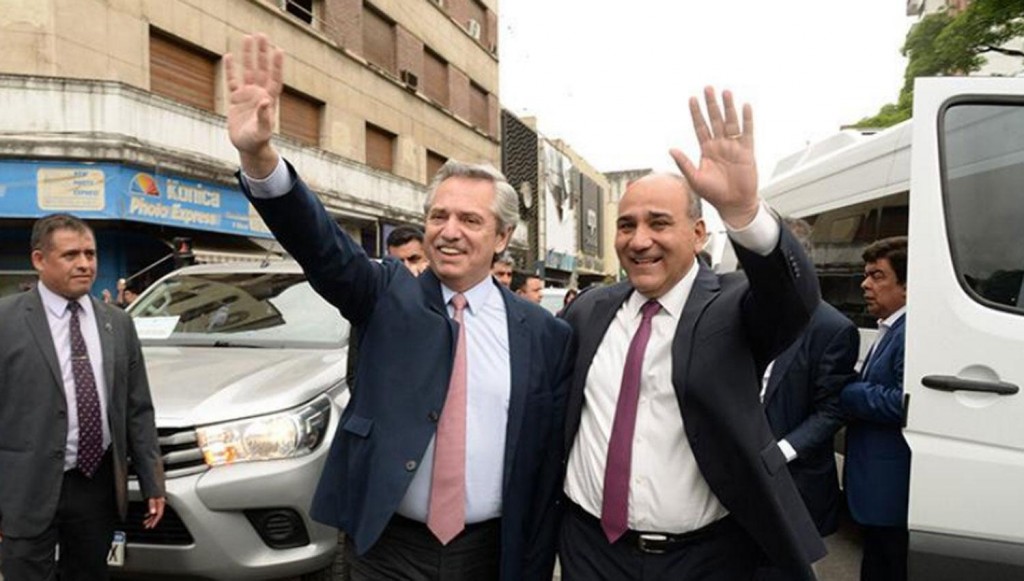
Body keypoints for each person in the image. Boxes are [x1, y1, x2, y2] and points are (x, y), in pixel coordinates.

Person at [224, 34, 574, 581]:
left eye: (470, 220)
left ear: (503, 237)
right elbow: (321, 245)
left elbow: (549, 451)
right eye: (438, 216)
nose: (449, 231)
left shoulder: (543, 332)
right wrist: (259, 157)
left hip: (492, 553)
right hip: (389, 549)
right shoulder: (384, 294)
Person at [558, 87, 825, 580]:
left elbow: (792, 300)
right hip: (589, 550)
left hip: (701, 560)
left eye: (659, 223)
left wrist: (744, 213)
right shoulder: (589, 309)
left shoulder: (734, 306)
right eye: (626, 225)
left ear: (699, 233)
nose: (639, 240)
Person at [0, 213, 165, 581]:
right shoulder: (6, 321)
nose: (84, 264)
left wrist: (153, 481)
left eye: (90, 254)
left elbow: (137, 409)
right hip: (25, 486)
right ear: (39, 260)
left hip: (95, 484)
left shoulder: (118, 322)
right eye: (70, 255)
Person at [757, 218, 860, 580]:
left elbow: (832, 409)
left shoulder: (832, 328)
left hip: (794, 482)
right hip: (738, 481)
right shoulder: (740, 313)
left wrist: (782, 451)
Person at [840, 236, 910, 581]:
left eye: (877, 275)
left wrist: (847, 390)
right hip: (875, 490)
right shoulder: (890, 328)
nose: (865, 284)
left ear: (907, 286)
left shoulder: (910, 332)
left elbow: (903, 401)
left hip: (890, 492)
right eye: (866, 274)